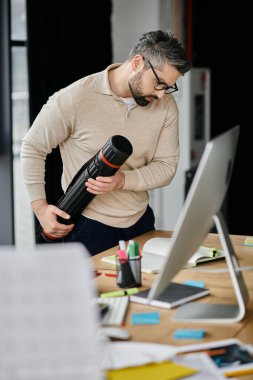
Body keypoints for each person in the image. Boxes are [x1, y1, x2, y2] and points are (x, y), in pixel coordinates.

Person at [20, 30, 191, 255]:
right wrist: (40, 208)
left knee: (144, 290)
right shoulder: (73, 98)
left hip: (140, 222)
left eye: (168, 87)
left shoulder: (166, 105)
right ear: (138, 62)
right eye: (159, 83)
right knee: (94, 291)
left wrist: (121, 180)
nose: (161, 95)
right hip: (86, 225)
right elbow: (33, 147)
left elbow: (166, 167)